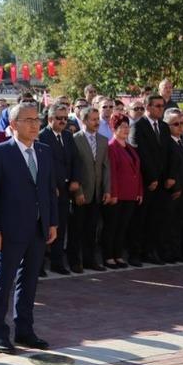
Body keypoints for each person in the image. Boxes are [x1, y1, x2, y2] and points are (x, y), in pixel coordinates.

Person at [0, 101, 57, 353]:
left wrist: (52, 222)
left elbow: (49, 191)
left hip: (38, 228)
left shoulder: (44, 151)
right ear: (13, 124)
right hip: (9, 230)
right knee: (3, 282)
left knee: (29, 282)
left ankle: (25, 330)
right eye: (29, 120)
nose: (35, 125)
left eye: (37, 120)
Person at [128, 94, 174, 266]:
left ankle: (150, 251)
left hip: (162, 182)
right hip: (145, 181)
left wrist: (169, 176)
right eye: (157, 106)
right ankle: (135, 253)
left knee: (156, 218)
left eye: (162, 106)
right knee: (140, 219)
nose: (161, 109)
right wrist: (151, 177)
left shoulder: (163, 126)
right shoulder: (138, 126)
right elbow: (140, 154)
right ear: (148, 107)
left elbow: (169, 153)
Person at [68, 106, 111, 273]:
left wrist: (107, 190)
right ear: (84, 121)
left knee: (91, 230)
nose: (97, 122)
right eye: (93, 119)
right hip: (80, 192)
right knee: (76, 230)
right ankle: (74, 261)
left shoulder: (103, 140)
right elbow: (73, 167)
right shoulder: (75, 139)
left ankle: (89, 260)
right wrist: (77, 191)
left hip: (97, 193)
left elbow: (106, 167)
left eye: (97, 119)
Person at [37, 103, 77, 275]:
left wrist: (75, 179)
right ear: (50, 118)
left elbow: (75, 159)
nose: (63, 122)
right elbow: (44, 166)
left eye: (65, 119)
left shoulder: (68, 136)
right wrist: (52, 186)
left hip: (66, 189)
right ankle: (37, 266)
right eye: (59, 118)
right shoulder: (41, 137)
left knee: (60, 227)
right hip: (49, 190)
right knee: (44, 227)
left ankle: (57, 262)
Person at [103, 113, 143, 268]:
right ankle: (108, 256)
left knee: (122, 227)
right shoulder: (111, 147)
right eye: (122, 127)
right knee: (112, 227)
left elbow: (137, 171)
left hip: (131, 194)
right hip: (117, 195)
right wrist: (113, 193)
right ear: (114, 128)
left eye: (128, 126)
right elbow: (111, 172)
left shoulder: (130, 148)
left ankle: (118, 255)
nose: (126, 130)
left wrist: (139, 191)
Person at [164, 109, 183, 262]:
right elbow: (169, 168)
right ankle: (168, 253)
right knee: (170, 225)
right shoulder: (166, 143)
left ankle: (178, 252)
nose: (180, 126)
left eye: (182, 123)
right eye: (176, 124)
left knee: (181, 224)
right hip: (174, 191)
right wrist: (176, 188)